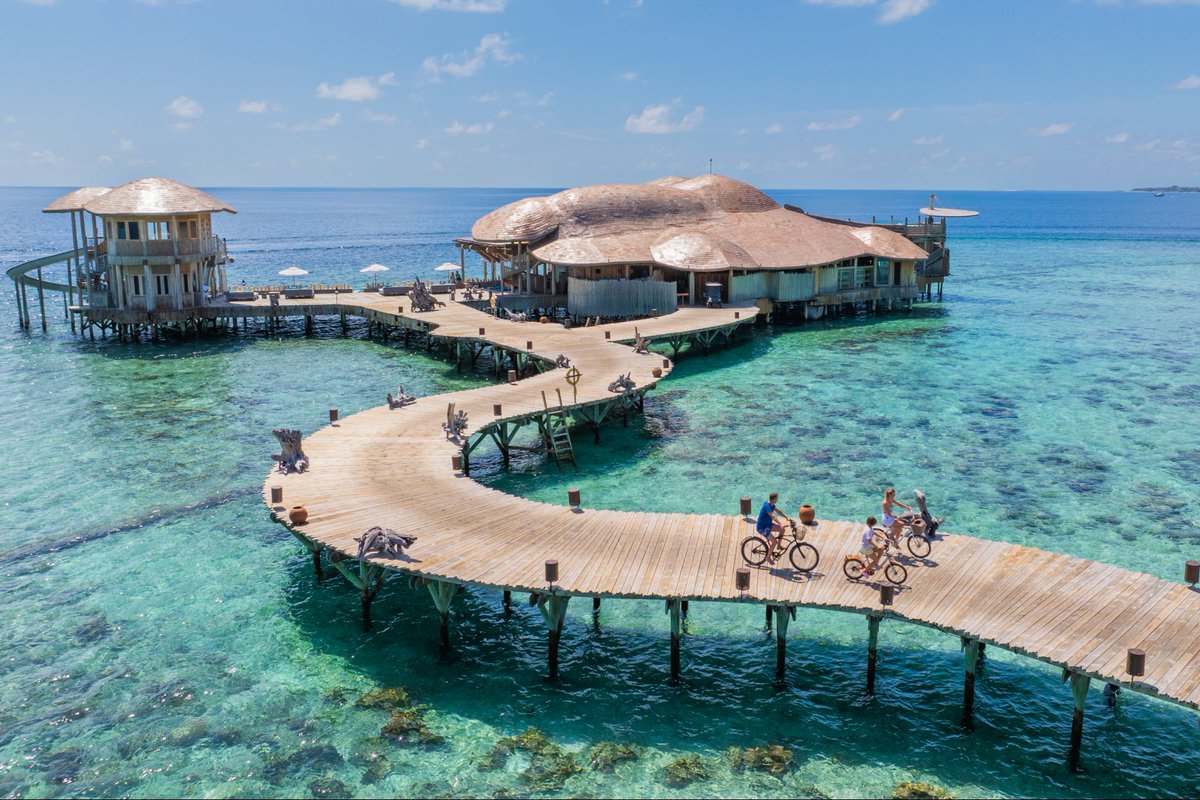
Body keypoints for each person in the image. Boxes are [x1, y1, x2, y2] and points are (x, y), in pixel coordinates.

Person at [756, 492, 793, 563]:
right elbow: (773, 516)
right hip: (762, 528)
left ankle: (779, 546)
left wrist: (786, 517)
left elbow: (779, 511)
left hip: (768, 525)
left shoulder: (772, 505)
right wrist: (780, 523)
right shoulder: (767, 506)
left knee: (782, 530)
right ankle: (768, 557)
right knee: (774, 542)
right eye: (777, 498)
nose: (777, 499)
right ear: (775, 498)